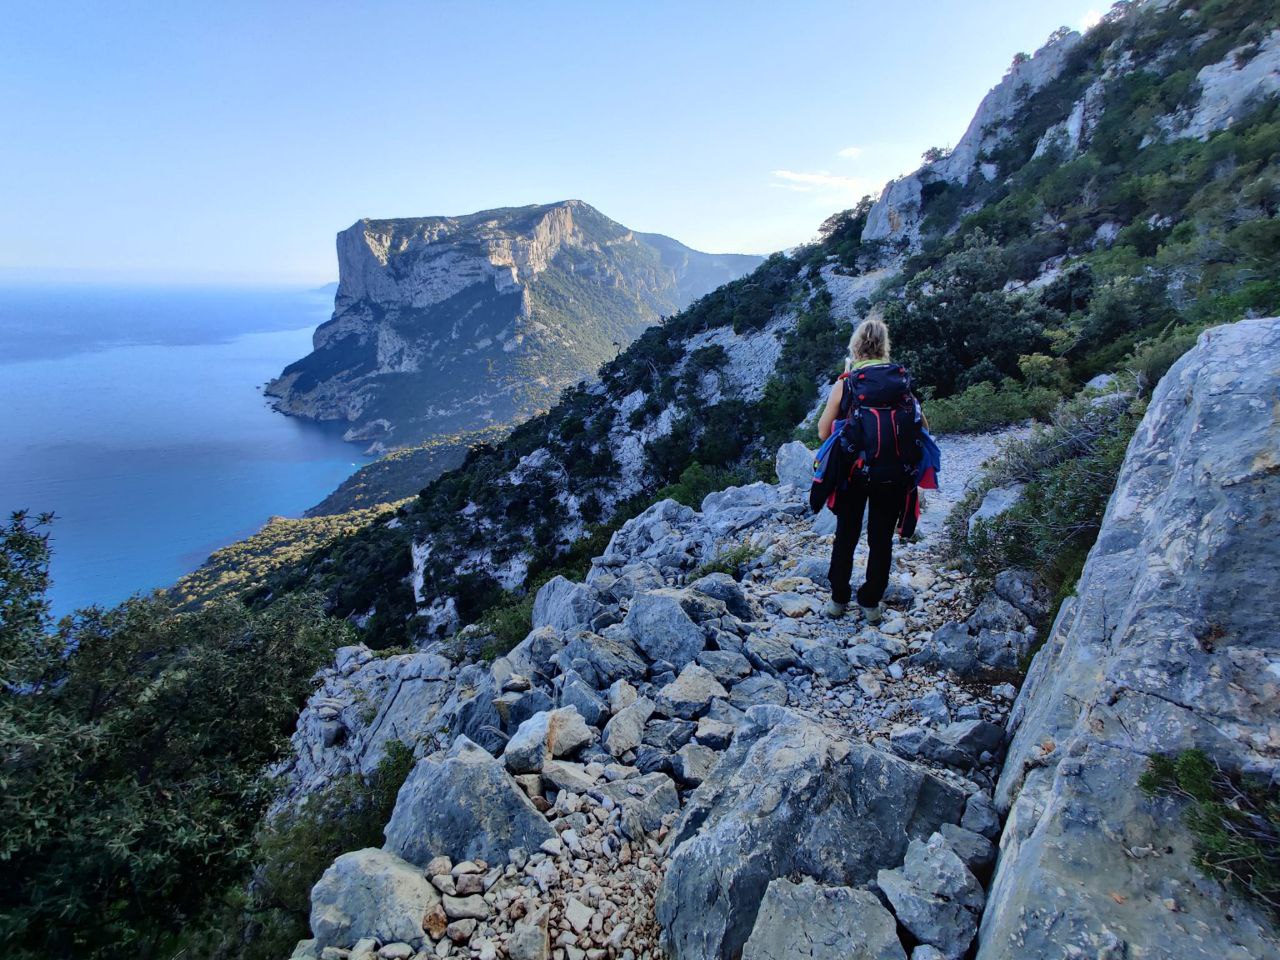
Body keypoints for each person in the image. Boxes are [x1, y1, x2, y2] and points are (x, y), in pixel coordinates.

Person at [816, 308, 923, 623]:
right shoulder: (899, 382)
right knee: (880, 541)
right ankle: (871, 604)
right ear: (884, 347)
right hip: (891, 474)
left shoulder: (848, 383)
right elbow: (921, 427)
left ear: (856, 346)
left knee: (846, 536)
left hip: (854, 472)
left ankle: (838, 601)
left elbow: (823, 431)